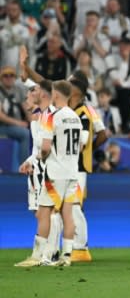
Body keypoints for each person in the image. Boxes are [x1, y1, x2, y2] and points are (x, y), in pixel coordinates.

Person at [32, 81, 84, 266]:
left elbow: (45, 147)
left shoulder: (52, 117)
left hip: (55, 172)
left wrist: (41, 156)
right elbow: (81, 145)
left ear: (55, 95)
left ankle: (41, 256)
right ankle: (66, 256)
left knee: (44, 212)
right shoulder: (76, 117)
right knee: (67, 214)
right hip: (71, 172)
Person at [15, 80, 60, 267]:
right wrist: (29, 161)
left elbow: (45, 147)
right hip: (38, 166)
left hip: (46, 168)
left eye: (29, 94)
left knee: (48, 211)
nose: (26, 98)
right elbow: (36, 148)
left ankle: (51, 252)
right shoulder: (38, 116)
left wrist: (36, 161)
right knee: (39, 212)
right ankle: (46, 252)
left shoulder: (49, 115)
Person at [67, 75, 107, 262]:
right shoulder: (70, 109)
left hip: (78, 165)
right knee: (68, 205)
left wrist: (90, 150)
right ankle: (72, 246)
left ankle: (81, 248)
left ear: (77, 90)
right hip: (68, 164)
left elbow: (99, 136)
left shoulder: (84, 112)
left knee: (75, 205)